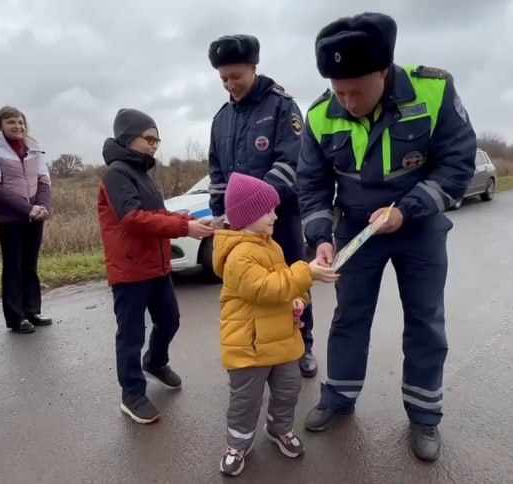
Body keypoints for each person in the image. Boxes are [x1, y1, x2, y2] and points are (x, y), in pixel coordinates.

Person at [296, 13, 477, 462]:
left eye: (357, 90)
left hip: (418, 224)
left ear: (385, 71)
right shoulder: (320, 114)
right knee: (349, 316)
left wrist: (407, 210)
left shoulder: (434, 89)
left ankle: (424, 416)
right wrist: (321, 235)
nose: (348, 101)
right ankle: (338, 397)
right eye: (339, 90)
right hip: (357, 229)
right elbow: (312, 185)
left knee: (424, 320)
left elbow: (457, 165)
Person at [206, 34, 319, 379]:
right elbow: (217, 172)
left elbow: (292, 160)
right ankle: (259, 347)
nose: (230, 85)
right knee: (251, 287)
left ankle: (303, 345)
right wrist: (219, 212)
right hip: (238, 224)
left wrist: (257, 206)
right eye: (223, 78)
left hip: (279, 216)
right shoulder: (221, 118)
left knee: (292, 279)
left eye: (236, 77)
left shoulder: (282, 106)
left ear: (254, 68)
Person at [211, 173, 339, 476]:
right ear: (248, 214)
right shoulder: (238, 256)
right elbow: (266, 289)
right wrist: (305, 273)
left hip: (281, 341)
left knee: (288, 390)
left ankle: (279, 428)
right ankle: (237, 444)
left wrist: (298, 300)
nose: (275, 215)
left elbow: (283, 288)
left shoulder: (271, 246)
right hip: (250, 346)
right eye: (268, 210)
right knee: (245, 400)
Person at [97, 108, 215, 424]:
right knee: (131, 335)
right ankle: (132, 394)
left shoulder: (144, 174)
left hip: (157, 266)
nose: (153, 145)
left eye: (157, 140)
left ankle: (156, 361)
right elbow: (132, 219)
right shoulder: (117, 173)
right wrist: (184, 230)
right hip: (130, 270)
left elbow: (161, 213)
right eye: (148, 139)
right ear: (127, 137)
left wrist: (196, 221)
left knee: (170, 320)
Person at [0, 106, 53, 334]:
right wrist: (27, 208)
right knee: (13, 267)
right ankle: (16, 318)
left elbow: (44, 179)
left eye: (21, 122)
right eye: (11, 122)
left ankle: (32, 311)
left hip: (35, 215)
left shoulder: (33, 146)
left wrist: (43, 207)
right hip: (10, 217)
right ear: (0, 125)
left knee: (30, 265)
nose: (18, 126)